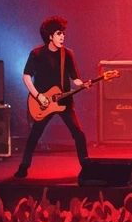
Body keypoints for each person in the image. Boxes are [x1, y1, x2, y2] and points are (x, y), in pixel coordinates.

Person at [15, 17, 88, 178]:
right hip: (43, 102)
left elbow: (75, 79)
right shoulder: (36, 53)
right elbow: (26, 76)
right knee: (35, 134)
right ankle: (24, 167)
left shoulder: (67, 54)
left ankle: (87, 167)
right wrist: (38, 96)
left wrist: (83, 84)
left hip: (64, 101)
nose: (63, 37)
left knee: (78, 133)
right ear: (50, 36)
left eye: (63, 34)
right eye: (59, 33)